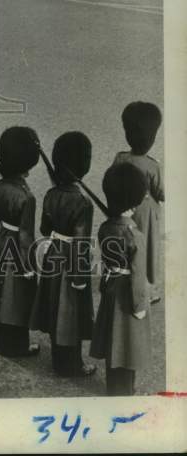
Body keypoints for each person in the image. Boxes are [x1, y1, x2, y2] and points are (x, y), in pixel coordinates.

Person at [30, 131, 96, 377]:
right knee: (72, 313)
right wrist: (80, 278)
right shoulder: (83, 202)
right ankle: (73, 364)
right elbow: (81, 244)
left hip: (53, 254)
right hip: (70, 259)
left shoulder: (51, 194)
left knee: (55, 307)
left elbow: (45, 229)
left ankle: (59, 360)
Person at [89, 162, 151, 396]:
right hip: (127, 293)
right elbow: (138, 276)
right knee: (128, 344)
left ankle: (115, 386)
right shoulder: (135, 235)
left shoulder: (105, 227)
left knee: (112, 341)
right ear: (134, 203)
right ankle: (125, 391)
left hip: (111, 286)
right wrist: (140, 306)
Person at [0, 126, 42, 358]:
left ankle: (2, 340)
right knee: (18, 298)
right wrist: (28, 266)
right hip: (17, 250)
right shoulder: (26, 196)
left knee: (1, 291)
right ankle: (17, 346)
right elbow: (26, 235)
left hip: (1, 242)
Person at [113, 101, 164, 303]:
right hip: (147, 216)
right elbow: (162, 193)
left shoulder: (120, 158)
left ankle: (125, 281)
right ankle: (149, 289)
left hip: (124, 210)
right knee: (149, 249)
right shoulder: (152, 165)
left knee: (126, 246)